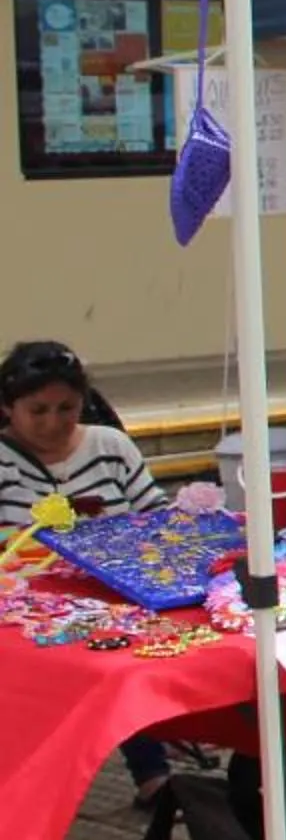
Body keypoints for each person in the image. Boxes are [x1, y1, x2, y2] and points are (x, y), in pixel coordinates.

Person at [0, 341, 175, 803]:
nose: (53, 422)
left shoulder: (110, 446)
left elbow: (156, 516)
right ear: (7, 407)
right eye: (37, 410)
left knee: (121, 659)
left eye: (67, 408)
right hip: (25, 607)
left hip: (116, 591)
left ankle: (153, 774)